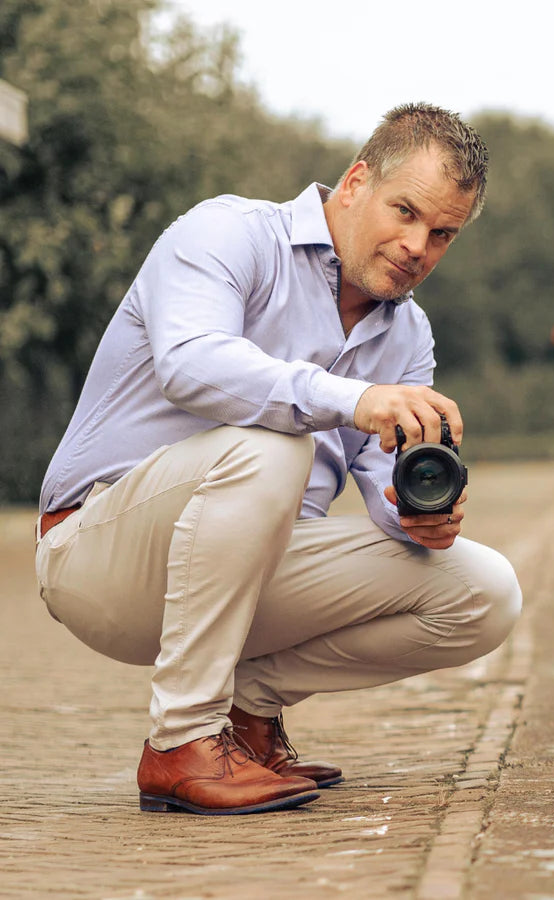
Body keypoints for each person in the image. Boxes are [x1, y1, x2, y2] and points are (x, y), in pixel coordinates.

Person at [34, 103, 522, 816]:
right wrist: (353, 400)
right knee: (275, 442)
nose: (419, 245)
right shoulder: (225, 233)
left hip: (244, 574)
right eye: (406, 212)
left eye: (442, 233)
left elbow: (388, 491)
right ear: (356, 183)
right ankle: (181, 739)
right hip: (100, 555)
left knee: (485, 589)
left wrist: (418, 510)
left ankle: (248, 713)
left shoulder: (408, 334)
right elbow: (191, 364)